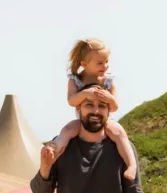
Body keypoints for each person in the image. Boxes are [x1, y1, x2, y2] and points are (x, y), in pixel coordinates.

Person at [50, 38, 137, 181]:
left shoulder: (107, 81)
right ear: (84, 64)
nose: (105, 66)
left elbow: (114, 108)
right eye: (100, 63)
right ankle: (53, 151)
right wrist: (84, 94)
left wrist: (108, 98)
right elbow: (72, 101)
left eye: (107, 61)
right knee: (66, 130)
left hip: (104, 121)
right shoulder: (76, 80)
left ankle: (132, 165)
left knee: (119, 132)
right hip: (82, 120)